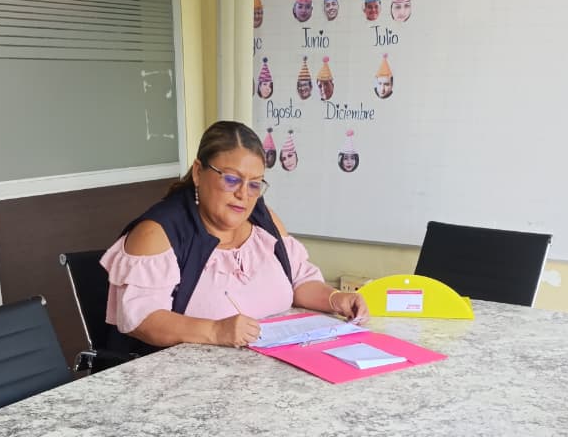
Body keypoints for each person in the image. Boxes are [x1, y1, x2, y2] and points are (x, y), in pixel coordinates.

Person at [101, 120, 368, 350]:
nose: (243, 194)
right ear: (198, 172)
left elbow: (299, 280)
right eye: (231, 179)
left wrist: (336, 299)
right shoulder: (157, 232)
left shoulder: (264, 221)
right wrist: (216, 331)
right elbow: (143, 320)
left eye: (254, 184)